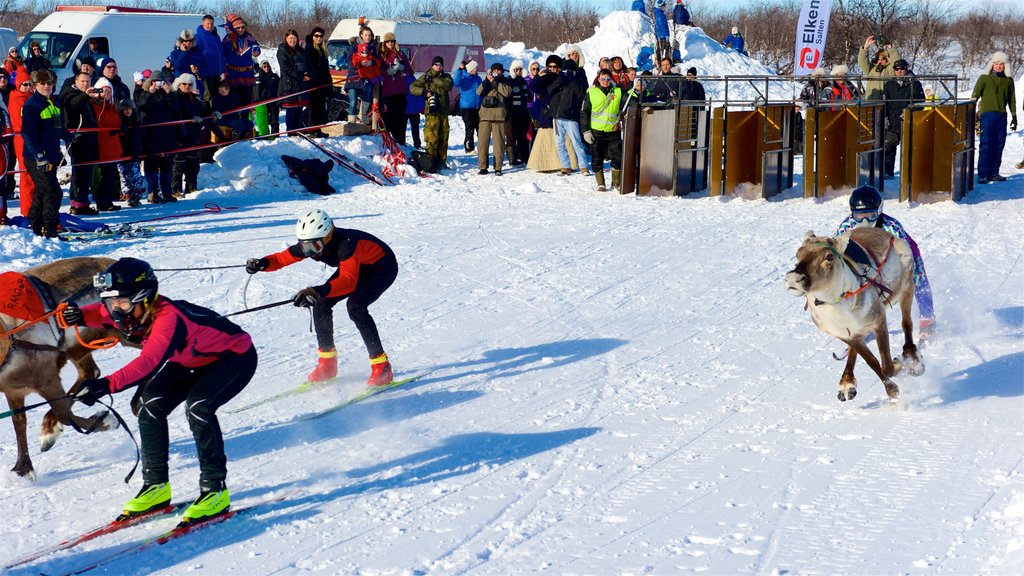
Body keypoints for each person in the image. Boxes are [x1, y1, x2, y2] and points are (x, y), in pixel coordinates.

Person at [63, 257, 257, 524]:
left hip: (233, 358)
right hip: (190, 361)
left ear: (145, 298)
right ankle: (156, 487)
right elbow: (102, 311)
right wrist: (81, 314)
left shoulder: (168, 318)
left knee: (199, 408)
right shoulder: (128, 306)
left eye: (122, 304)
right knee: (148, 405)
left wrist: (105, 384)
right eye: (112, 304)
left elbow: (148, 363)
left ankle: (215, 491)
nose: (116, 311)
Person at [245, 209, 398, 386]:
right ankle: (327, 364)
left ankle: (382, 366)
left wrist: (316, 291)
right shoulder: (311, 244)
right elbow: (281, 259)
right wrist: (262, 264)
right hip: (355, 267)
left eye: (314, 247)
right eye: (305, 246)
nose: (310, 252)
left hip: (381, 268)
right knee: (321, 303)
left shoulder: (347, 244)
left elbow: (348, 281)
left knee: (356, 307)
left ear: (328, 236)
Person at [835, 185, 935, 334]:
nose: (865, 221)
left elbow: (904, 255)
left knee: (917, 276)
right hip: (867, 257)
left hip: (900, 252)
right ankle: (864, 324)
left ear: (879, 210)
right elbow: (836, 252)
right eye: (859, 216)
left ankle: (927, 317)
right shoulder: (847, 227)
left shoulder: (891, 227)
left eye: (870, 214)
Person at [20, 69, 65, 237]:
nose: (46, 86)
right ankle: (50, 230)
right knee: (53, 192)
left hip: (51, 156)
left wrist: (69, 136)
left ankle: (35, 227)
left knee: (42, 191)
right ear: (35, 85)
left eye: (49, 83)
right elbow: (27, 133)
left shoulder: (53, 102)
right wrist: (38, 155)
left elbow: (57, 127)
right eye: (42, 83)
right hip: (37, 158)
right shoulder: (32, 105)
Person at [972, 51, 1016, 184]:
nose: (998, 66)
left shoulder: (1008, 81)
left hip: (1001, 116)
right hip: (987, 115)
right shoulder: (984, 79)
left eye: (1001, 64)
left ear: (1005, 66)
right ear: (992, 64)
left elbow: (1012, 100)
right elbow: (974, 96)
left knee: (999, 145)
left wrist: (1014, 116)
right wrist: (971, 113)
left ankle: (994, 173)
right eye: (996, 64)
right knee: (986, 144)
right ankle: (983, 174)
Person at [62, 71, 100, 215]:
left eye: (88, 82)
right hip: (77, 141)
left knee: (86, 173)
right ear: (76, 81)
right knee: (79, 173)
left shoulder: (85, 97)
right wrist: (85, 95)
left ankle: (82, 202)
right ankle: (77, 204)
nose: (86, 84)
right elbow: (72, 105)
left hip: (88, 140)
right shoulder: (70, 93)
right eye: (83, 81)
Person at [582, 69, 625, 191]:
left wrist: (622, 115)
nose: (605, 82)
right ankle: (601, 184)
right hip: (597, 131)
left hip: (613, 130)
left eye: (607, 79)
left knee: (617, 157)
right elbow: (584, 112)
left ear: (611, 80)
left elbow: (629, 103)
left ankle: (616, 182)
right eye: (603, 79)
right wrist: (586, 131)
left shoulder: (618, 91)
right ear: (598, 79)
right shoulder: (592, 92)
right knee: (597, 157)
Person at [137, 75, 177, 204]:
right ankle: (152, 192)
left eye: (160, 81)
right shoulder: (144, 93)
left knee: (167, 165)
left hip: (167, 135)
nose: (157, 84)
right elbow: (141, 107)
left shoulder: (168, 94)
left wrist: (169, 93)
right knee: (151, 165)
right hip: (150, 136)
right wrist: (149, 93)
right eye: (154, 81)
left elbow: (176, 109)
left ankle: (167, 192)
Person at [548, 54, 591, 175]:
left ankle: (583, 166)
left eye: (570, 70)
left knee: (576, 142)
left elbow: (581, 94)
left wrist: (572, 80)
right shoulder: (559, 80)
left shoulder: (578, 81)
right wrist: (560, 79)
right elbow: (549, 90)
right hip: (557, 117)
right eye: (565, 70)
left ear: (574, 71)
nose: (567, 72)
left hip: (571, 117)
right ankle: (565, 166)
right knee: (560, 143)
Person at [882, 59, 923, 179]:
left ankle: (909, 174)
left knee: (909, 148)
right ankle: (887, 172)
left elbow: (921, 102)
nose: (899, 72)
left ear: (906, 69)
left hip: (908, 122)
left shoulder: (914, 83)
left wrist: (911, 113)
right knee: (889, 147)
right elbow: (885, 102)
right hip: (892, 122)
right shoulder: (889, 84)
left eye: (901, 69)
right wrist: (885, 117)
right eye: (896, 69)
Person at [409, 56, 453, 167]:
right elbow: (412, 88)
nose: (439, 67)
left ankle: (442, 162)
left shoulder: (445, 76)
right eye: (436, 64)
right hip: (432, 112)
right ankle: (431, 162)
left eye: (441, 65)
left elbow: (448, 85)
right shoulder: (426, 77)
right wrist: (424, 92)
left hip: (443, 112)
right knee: (432, 138)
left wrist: (433, 80)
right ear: (432, 65)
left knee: (443, 139)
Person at [89, 77, 124, 212]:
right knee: (104, 175)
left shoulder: (112, 106)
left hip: (112, 145)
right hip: (101, 145)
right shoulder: (94, 105)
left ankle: (106, 201)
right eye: (103, 91)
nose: (106, 94)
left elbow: (115, 122)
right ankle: (102, 202)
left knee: (110, 175)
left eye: (109, 91)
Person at [169, 73, 205, 197]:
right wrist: (190, 119)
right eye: (184, 84)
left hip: (192, 135)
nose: (187, 86)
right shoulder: (174, 97)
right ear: (179, 84)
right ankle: (175, 189)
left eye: (190, 84)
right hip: (178, 136)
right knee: (179, 164)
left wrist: (213, 113)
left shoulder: (194, 98)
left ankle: (191, 187)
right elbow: (175, 114)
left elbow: (203, 110)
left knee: (193, 163)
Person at [476, 62, 511, 175]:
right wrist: (487, 80)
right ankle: (483, 167)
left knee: (499, 144)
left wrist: (495, 82)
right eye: (495, 71)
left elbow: (507, 92)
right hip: (485, 116)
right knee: (482, 143)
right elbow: (478, 92)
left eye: (499, 71)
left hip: (499, 117)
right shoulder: (487, 81)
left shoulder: (505, 81)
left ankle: (498, 168)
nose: (497, 73)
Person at [8, 66, 34, 218]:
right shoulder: (16, 99)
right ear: (18, 84)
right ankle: (27, 210)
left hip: (32, 139)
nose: (28, 87)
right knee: (26, 176)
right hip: (22, 140)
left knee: (34, 176)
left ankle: (33, 209)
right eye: (25, 84)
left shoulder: (30, 98)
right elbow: (19, 123)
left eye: (30, 84)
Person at [221, 14, 261, 107]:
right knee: (234, 102)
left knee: (246, 102)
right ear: (233, 28)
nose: (241, 30)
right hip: (233, 75)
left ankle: (246, 119)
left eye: (242, 27)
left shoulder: (249, 37)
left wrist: (256, 51)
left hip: (247, 75)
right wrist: (224, 70)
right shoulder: (228, 39)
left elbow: (257, 47)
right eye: (238, 28)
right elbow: (222, 55)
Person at [378, 31, 411, 143]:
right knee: (389, 117)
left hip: (401, 91)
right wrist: (389, 71)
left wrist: (401, 67)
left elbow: (409, 69)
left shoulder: (400, 54)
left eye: (392, 41)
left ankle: (401, 140)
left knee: (401, 117)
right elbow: (379, 73)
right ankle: (387, 139)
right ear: (384, 43)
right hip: (388, 91)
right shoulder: (382, 55)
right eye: (388, 41)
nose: (390, 43)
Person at [347, 26, 382, 124]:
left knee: (368, 92)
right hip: (354, 76)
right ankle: (351, 122)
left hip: (368, 76)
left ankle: (363, 114)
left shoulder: (373, 48)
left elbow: (378, 61)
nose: (368, 37)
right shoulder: (354, 47)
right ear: (361, 35)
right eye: (366, 35)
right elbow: (349, 60)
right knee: (353, 100)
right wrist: (359, 64)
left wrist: (372, 63)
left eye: (369, 35)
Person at [277, 29, 309, 133]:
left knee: (299, 109)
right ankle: (291, 132)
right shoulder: (282, 50)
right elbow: (285, 67)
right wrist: (300, 76)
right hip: (289, 83)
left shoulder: (300, 51)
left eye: (294, 38)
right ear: (286, 39)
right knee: (291, 110)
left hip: (300, 84)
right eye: (290, 38)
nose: (292, 40)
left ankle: (299, 130)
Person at [304, 27, 330, 136]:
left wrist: (329, 81)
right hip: (314, 83)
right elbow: (311, 66)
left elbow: (325, 68)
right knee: (313, 107)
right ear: (312, 36)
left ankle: (318, 129)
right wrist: (314, 76)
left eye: (321, 36)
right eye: (316, 36)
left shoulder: (323, 49)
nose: (318, 38)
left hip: (322, 83)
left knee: (320, 107)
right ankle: (312, 130)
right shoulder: (310, 48)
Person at [858, 35, 899, 101]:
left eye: (883, 58)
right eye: (878, 58)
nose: (880, 60)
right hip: (871, 102)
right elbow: (862, 61)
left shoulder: (890, 69)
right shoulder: (871, 69)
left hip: (886, 103)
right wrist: (865, 48)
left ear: (887, 59)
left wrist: (890, 46)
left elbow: (897, 61)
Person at [505, 60, 531, 166]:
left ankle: (525, 158)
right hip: (511, 114)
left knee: (523, 138)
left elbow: (528, 95)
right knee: (511, 137)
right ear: (513, 70)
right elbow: (506, 98)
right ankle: (512, 159)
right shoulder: (509, 81)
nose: (518, 71)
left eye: (520, 69)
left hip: (522, 114)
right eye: (516, 69)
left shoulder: (523, 82)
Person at [195, 15, 225, 106]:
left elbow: (220, 53)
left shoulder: (216, 36)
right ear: (203, 23)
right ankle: (208, 116)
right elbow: (196, 54)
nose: (210, 26)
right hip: (206, 73)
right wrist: (200, 69)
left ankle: (216, 115)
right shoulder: (199, 37)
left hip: (217, 73)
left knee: (217, 96)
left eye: (212, 24)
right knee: (207, 96)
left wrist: (224, 67)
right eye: (208, 24)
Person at [453, 59, 483, 152]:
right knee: (469, 128)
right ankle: (469, 148)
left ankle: (482, 147)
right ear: (470, 68)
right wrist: (459, 70)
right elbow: (456, 83)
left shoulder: (478, 79)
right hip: (467, 107)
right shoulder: (463, 77)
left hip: (478, 107)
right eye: (475, 67)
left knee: (480, 128)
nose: (477, 69)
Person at [256, 59, 280, 135]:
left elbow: (279, 88)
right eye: (264, 66)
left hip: (273, 101)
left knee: (274, 120)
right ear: (261, 68)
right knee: (264, 121)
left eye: (268, 66)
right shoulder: (258, 77)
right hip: (263, 102)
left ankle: (275, 136)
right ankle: (265, 136)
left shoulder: (275, 76)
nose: (266, 68)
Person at [404, 73, 423, 149]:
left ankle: (402, 142)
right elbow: (420, 96)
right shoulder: (415, 81)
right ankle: (417, 144)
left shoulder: (402, 81)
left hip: (405, 108)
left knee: (403, 128)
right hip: (415, 109)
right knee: (415, 128)